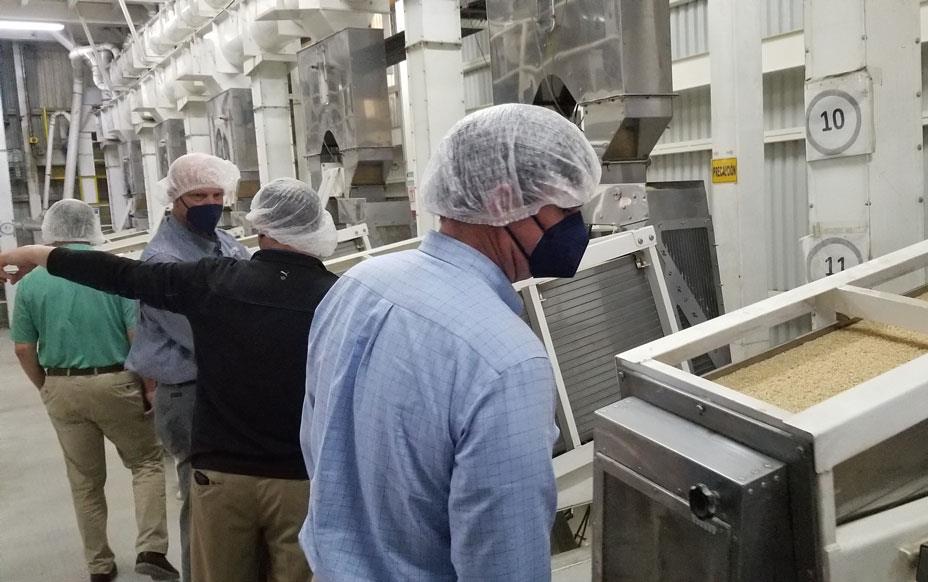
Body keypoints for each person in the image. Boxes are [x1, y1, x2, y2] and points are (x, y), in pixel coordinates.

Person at [298, 103, 602, 581]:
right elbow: (505, 564)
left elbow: (318, 445)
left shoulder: (357, 285)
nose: (577, 225)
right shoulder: (507, 361)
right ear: (503, 202)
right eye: (565, 209)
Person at [1, 178, 338, 582]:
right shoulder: (338, 298)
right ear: (319, 227)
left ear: (261, 228)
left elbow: (122, 274)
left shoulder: (216, 280)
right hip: (299, 481)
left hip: (219, 476)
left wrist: (37, 253)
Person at [10, 200, 178, 582]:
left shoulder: (32, 281)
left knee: (85, 480)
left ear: (49, 231)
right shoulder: (110, 274)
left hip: (61, 383)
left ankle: (100, 565)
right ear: (92, 227)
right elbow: (137, 335)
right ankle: (151, 548)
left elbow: (22, 347)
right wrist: (149, 387)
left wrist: (47, 386)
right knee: (146, 463)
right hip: (116, 380)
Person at [125, 152, 249, 581]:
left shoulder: (226, 242)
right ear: (176, 199)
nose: (211, 203)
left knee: (231, 498)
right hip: (189, 393)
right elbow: (199, 333)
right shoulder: (163, 263)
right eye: (199, 195)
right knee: (201, 501)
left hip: (225, 388)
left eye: (217, 194)